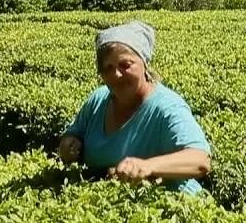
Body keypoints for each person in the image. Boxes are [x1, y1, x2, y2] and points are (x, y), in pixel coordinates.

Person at [57, 20, 213, 196]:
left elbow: (201, 160)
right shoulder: (98, 100)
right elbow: (74, 134)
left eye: (125, 65)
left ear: (144, 64)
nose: (116, 74)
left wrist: (148, 166)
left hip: (174, 209)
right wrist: (69, 144)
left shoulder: (167, 106)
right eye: (108, 68)